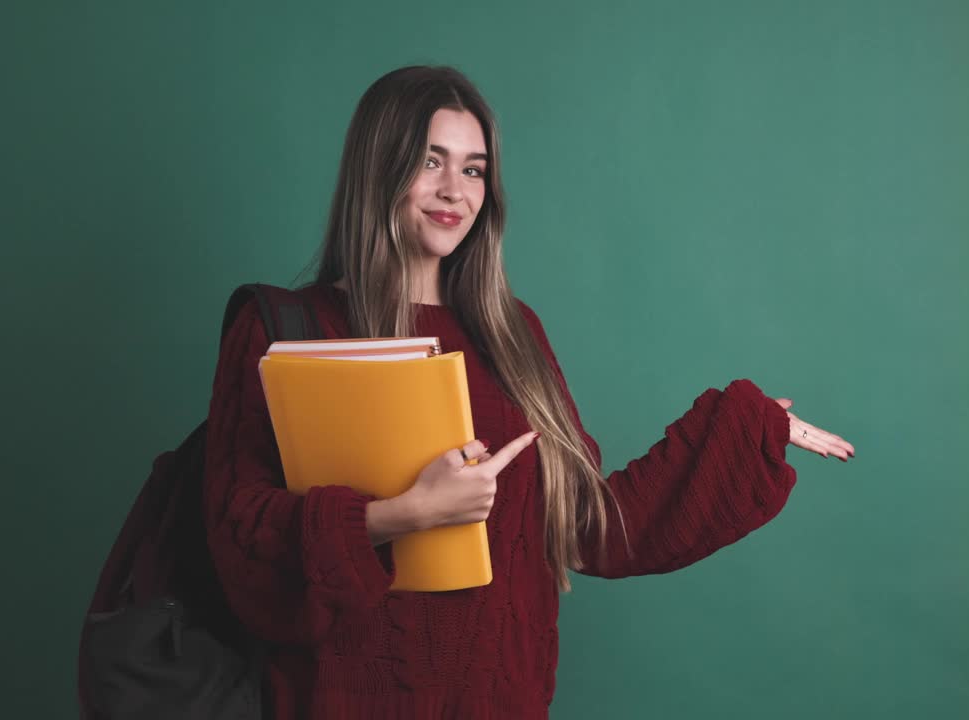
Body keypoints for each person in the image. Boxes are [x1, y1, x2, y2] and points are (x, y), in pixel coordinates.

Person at [203, 64, 855, 719]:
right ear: (380, 166)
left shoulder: (513, 333)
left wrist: (743, 428)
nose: (453, 189)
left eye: (473, 168)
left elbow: (587, 527)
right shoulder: (286, 329)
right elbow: (243, 547)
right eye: (431, 161)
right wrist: (402, 515)